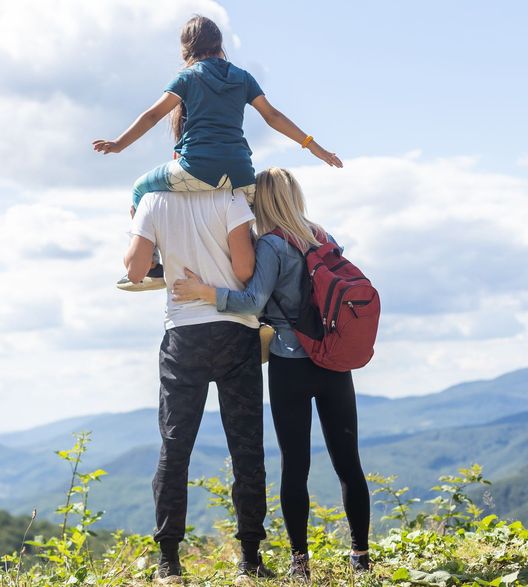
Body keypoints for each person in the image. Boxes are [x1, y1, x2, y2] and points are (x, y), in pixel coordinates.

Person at [171, 167, 372, 580]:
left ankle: (300, 565)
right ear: (294, 196)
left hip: (289, 364)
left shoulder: (271, 245)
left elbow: (251, 300)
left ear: (259, 201)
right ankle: (361, 558)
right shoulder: (321, 235)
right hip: (334, 363)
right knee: (348, 462)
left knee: (294, 467)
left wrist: (205, 293)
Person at [95, 14, 342, 291]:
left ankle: (152, 267)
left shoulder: (188, 77)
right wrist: (314, 146)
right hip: (240, 176)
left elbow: (153, 116)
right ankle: (262, 284)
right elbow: (272, 116)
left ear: (187, 47)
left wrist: (118, 143)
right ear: (219, 43)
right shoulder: (243, 77)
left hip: (196, 169)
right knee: (244, 239)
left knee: (140, 188)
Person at [125, 186, 273, 584]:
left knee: (175, 445)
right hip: (234, 331)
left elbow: (135, 270)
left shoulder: (154, 200)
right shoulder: (231, 199)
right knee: (246, 447)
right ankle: (249, 560)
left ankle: (169, 562)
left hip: (183, 334)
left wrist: (138, 225)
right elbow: (244, 272)